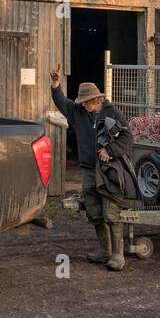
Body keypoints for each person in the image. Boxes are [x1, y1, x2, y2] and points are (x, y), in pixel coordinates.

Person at [50, 64, 132, 270]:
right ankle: (104, 251)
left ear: (95, 100)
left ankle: (117, 255)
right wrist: (55, 84)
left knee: (111, 211)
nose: (83, 105)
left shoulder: (113, 113)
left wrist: (109, 151)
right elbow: (61, 102)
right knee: (94, 211)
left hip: (109, 169)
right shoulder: (77, 112)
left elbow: (128, 137)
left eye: (85, 102)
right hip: (88, 169)